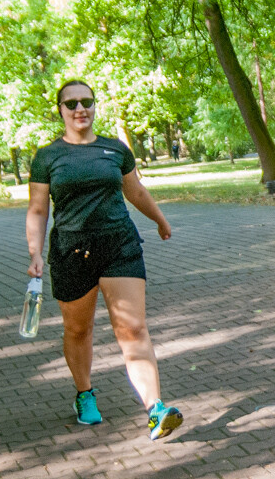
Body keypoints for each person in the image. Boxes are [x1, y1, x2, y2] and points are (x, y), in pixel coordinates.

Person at [26, 80, 183, 441]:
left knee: (133, 328)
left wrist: (160, 220)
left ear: (95, 106)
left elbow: (135, 191)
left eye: (87, 102)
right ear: (61, 111)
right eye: (72, 104)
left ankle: (155, 409)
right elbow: (37, 209)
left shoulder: (115, 149)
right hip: (70, 252)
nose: (80, 109)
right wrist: (34, 252)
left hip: (119, 245)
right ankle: (85, 394)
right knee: (78, 330)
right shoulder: (48, 157)